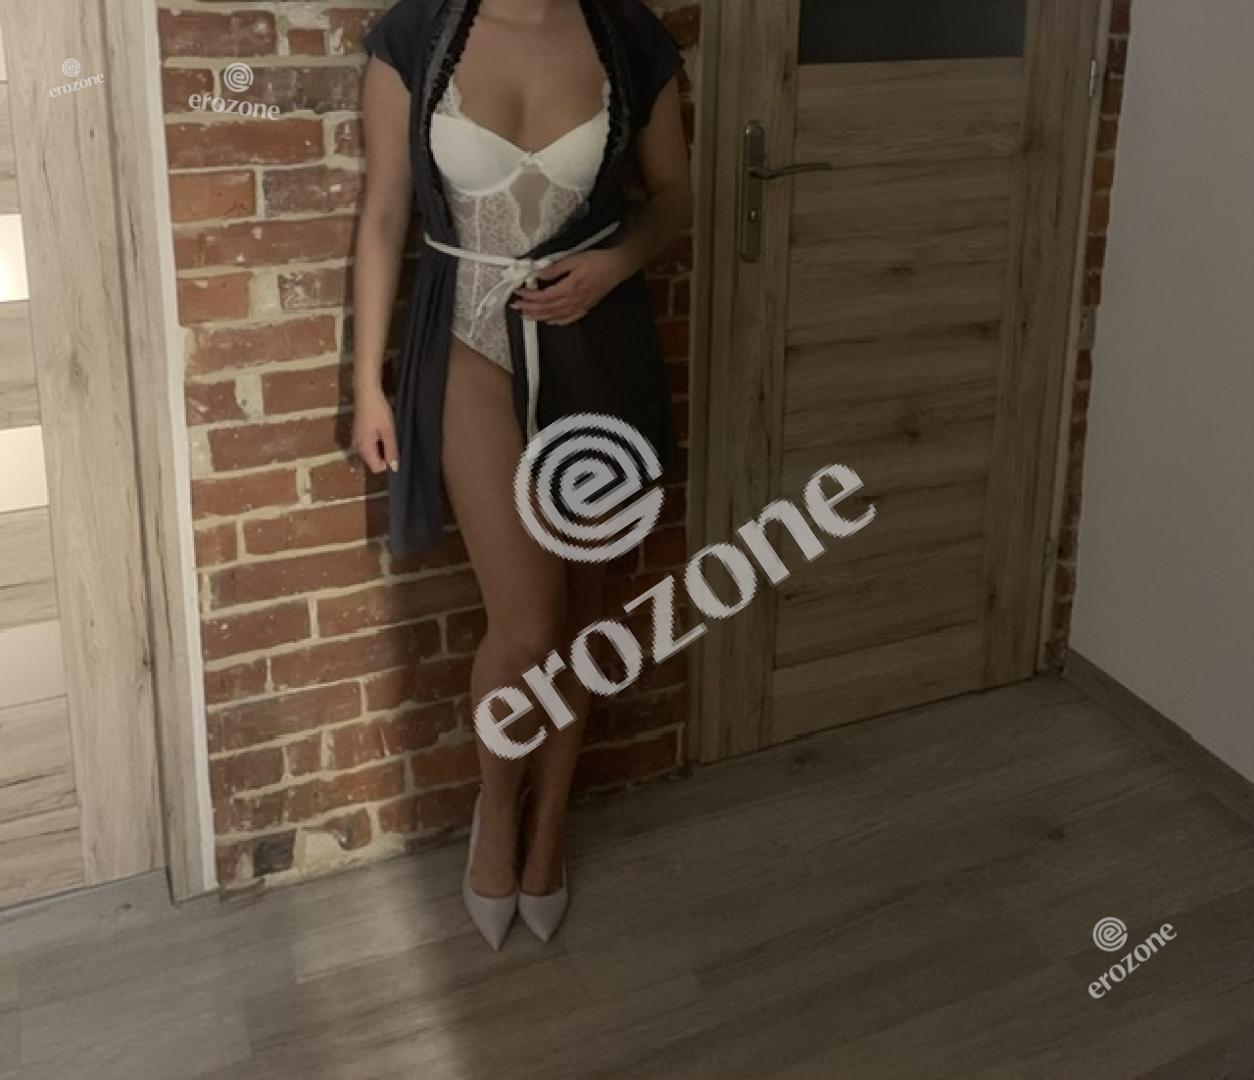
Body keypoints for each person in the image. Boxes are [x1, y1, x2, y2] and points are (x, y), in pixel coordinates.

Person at [352, 0, 692, 948]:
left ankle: (550, 835)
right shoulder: (415, 37)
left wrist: (616, 264)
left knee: (585, 613)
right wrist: (367, 386)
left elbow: (675, 196)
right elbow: (383, 214)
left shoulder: (630, 37)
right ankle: (497, 811)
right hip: (468, 346)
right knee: (530, 623)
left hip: (599, 348)